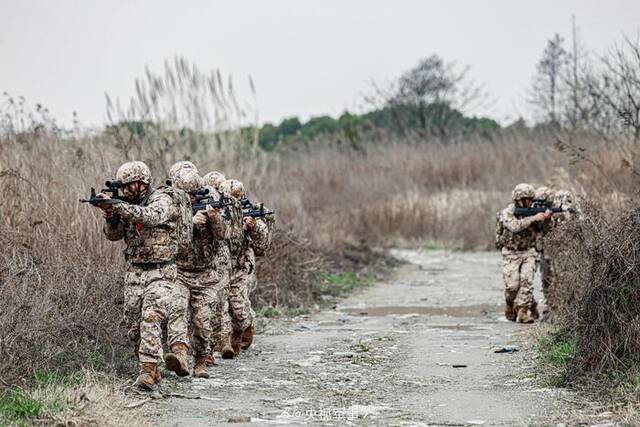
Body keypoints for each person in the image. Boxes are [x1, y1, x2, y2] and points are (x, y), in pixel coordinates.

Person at [94, 161, 192, 389]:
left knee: (151, 315)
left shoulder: (162, 199)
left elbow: (150, 216)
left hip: (161, 270)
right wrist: (110, 214)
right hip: (135, 272)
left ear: (142, 183)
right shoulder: (127, 205)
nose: (126, 190)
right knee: (133, 325)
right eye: (123, 187)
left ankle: (147, 371)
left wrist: (119, 206)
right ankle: (153, 368)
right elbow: (113, 235)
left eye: (130, 186)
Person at [170, 168, 227, 378]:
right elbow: (167, 236)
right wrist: (190, 224)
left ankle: (201, 360)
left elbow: (222, 236)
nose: (190, 198)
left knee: (203, 323)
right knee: (176, 312)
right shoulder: (169, 204)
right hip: (179, 272)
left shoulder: (210, 200)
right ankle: (180, 356)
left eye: (193, 194)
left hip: (205, 275)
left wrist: (214, 219)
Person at [221, 179, 272, 353]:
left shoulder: (250, 212)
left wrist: (253, 227)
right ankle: (223, 342)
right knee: (217, 305)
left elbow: (263, 244)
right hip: (219, 265)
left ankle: (245, 325)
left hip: (241, 265)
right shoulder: (218, 211)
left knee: (238, 307)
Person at [495, 183, 552, 323]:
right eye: (526, 199)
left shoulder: (534, 211)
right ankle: (509, 303)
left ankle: (522, 311)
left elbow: (544, 230)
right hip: (511, 253)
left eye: (530, 199)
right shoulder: (508, 212)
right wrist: (533, 218)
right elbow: (514, 227)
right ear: (518, 199)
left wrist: (545, 218)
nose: (529, 202)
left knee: (527, 280)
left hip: (528, 251)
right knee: (512, 286)